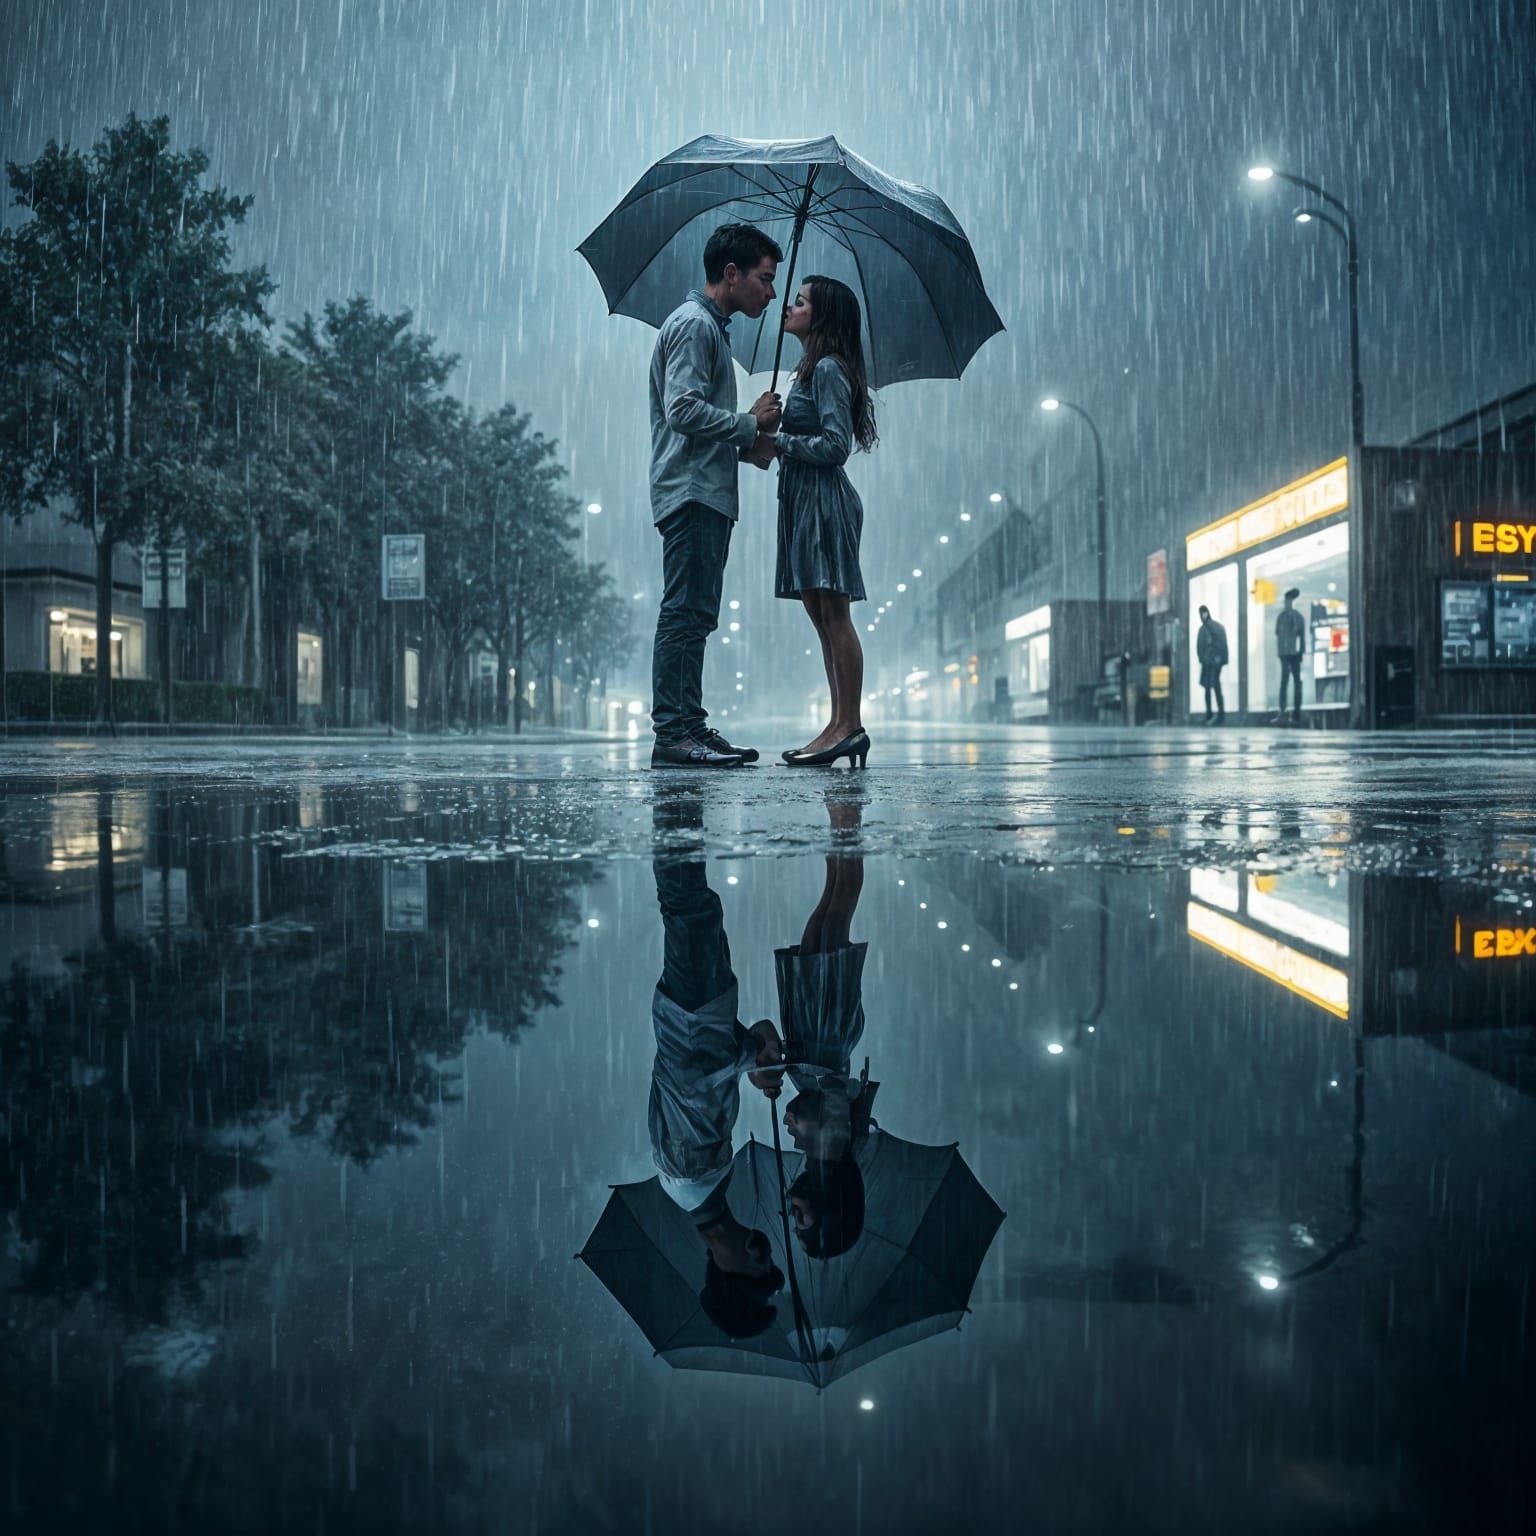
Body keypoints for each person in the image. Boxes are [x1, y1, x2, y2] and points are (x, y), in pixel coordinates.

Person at [648, 793, 786, 1335]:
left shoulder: (690, 1173)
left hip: (694, 1011)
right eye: (772, 1263)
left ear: (727, 1272)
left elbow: (688, 1076)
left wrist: (752, 1058)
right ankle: (678, 799)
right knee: (691, 902)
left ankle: (675, 792)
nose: (765, 1253)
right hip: (700, 1012)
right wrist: (750, 1057)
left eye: (759, 1268)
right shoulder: (699, 1185)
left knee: (686, 901)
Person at [648, 223, 784, 768]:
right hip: (691, 494)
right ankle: (673, 732)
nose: (771, 293)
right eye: (764, 279)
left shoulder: (710, 330)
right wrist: (747, 424)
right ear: (731, 274)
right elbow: (681, 410)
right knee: (684, 612)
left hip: (705, 491)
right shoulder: (692, 327)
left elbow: (702, 426)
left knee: (697, 613)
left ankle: (690, 724)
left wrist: (748, 441)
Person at [762, 276, 878, 768]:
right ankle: (836, 724)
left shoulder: (829, 369)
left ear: (822, 317)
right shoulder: (808, 370)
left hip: (824, 502)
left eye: (801, 302)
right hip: (802, 501)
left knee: (836, 616)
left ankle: (849, 725)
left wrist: (781, 441)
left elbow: (835, 447)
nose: (790, 305)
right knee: (820, 619)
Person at [1274, 586, 1307, 725]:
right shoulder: (1282, 617)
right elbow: (1278, 634)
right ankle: (1285, 711)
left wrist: (1300, 652)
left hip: (1292, 653)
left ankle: (1295, 712)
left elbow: (1302, 637)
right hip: (1286, 654)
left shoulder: (1295, 617)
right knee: (1286, 682)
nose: (1287, 603)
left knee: (1294, 682)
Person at [1196, 604, 1229, 724]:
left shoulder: (1207, 629)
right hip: (1213, 661)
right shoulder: (1215, 627)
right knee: (1214, 687)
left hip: (1210, 661)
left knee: (1210, 687)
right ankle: (1217, 714)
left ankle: (1213, 714)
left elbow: (1200, 646)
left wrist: (1203, 658)